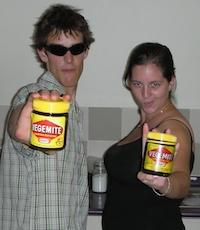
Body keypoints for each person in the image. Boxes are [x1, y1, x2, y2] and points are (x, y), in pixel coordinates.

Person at [0, 4, 94, 230]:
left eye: (76, 49)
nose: (69, 58)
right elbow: (19, 125)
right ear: (43, 53)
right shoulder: (31, 97)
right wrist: (21, 130)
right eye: (58, 50)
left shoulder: (74, 112)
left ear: (86, 52)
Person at [102, 42, 194, 230]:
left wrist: (164, 184)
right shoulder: (148, 122)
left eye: (155, 84)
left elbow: (181, 180)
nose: (145, 94)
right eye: (137, 84)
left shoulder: (171, 128)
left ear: (171, 82)